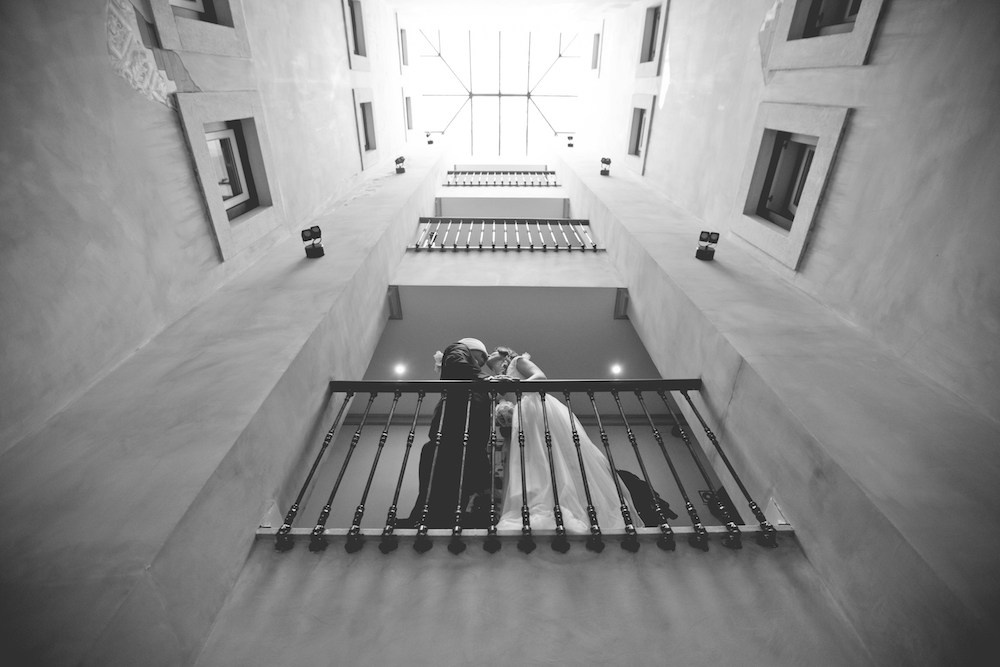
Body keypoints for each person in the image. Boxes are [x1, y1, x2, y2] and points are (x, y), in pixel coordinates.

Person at [487, 346, 640, 533]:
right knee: (533, 461)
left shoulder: (517, 362)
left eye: (494, 351)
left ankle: (571, 507)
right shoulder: (498, 379)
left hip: (535, 407)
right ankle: (539, 504)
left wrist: (516, 386)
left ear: (504, 354)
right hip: (522, 417)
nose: (489, 353)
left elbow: (540, 376)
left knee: (551, 454)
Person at [404, 338, 493, 529]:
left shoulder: (473, 372)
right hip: (454, 428)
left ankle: (446, 521)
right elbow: (457, 365)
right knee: (443, 479)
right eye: (482, 358)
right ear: (473, 350)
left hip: (467, 434)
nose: (481, 363)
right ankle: (432, 522)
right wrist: (489, 379)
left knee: (458, 482)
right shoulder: (458, 349)